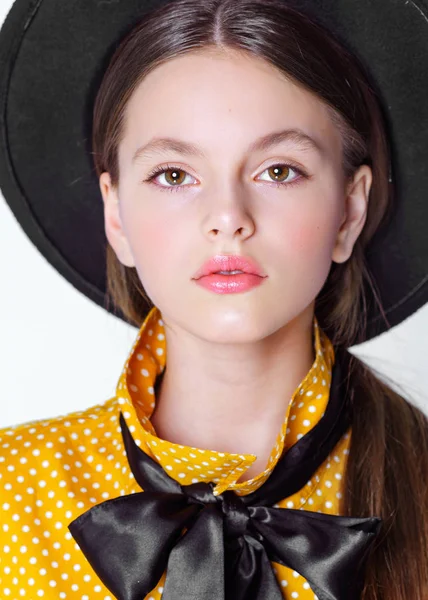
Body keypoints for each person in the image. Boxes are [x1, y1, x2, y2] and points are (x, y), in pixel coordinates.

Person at [0, 0, 427, 598]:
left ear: (348, 213)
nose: (228, 218)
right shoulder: (11, 495)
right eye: (174, 175)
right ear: (116, 215)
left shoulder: (418, 482)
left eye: (279, 171)